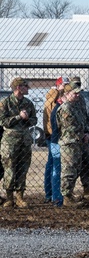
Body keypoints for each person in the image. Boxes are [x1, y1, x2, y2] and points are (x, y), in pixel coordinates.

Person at [1, 77, 37, 208]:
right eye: (25, 86)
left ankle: (20, 197)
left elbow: (34, 120)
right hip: (10, 141)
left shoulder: (28, 103)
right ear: (18, 88)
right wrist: (18, 117)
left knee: (23, 168)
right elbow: (3, 122)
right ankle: (9, 197)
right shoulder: (5, 103)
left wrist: (27, 119)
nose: (27, 89)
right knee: (9, 168)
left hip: (25, 140)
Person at [57, 82, 89, 206]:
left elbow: (84, 122)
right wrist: (82, 134)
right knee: (69, 171)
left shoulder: (76, 106)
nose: (77, 95)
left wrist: (86, 133)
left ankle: (70, 194)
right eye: (75, 93)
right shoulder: (66, 108)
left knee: (76, 169)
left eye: (78, 93)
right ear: (67, 94)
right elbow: (69, 127)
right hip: (69, 143)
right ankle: (66, 197)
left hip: (78, 142)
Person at [70, 76, 89, 198]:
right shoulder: (67, 102)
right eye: (75, 84)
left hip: (84, 139)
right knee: (73, 166)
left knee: (87, 163)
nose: (77, 87)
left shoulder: (82, 100)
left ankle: (87, 190)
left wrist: (88, 133)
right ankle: (70, 192)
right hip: (72, 140)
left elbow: (86, 118)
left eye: (79, 84)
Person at [46, 86, 65, 207]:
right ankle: (56, 197)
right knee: (55, 168)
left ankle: (59, 195)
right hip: (55, 141)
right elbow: (53, 126)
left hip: (60, 141)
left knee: (59, 169)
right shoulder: (57, 108)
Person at [42, 85, 61, 203]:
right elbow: (50, 121)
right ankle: (52, 194)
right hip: (53, 136)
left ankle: (52, 193)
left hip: (54, 136)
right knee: (54, 165)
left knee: (53, 164)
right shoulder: (51, 102)